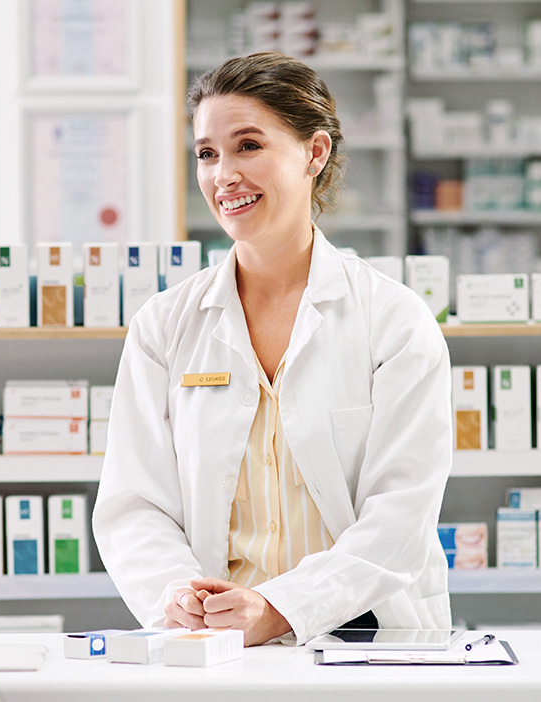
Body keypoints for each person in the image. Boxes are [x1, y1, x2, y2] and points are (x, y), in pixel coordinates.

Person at [93, 53, 453, 647]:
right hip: (217, 646)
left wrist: (280, 608)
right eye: (207, 154)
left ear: (315, 153)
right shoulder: (164, 326)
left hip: (364, 642)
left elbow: (401, 516)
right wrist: (176, 595)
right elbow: (134, 501)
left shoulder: (393, 322)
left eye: (249, 146)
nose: (223, 174)